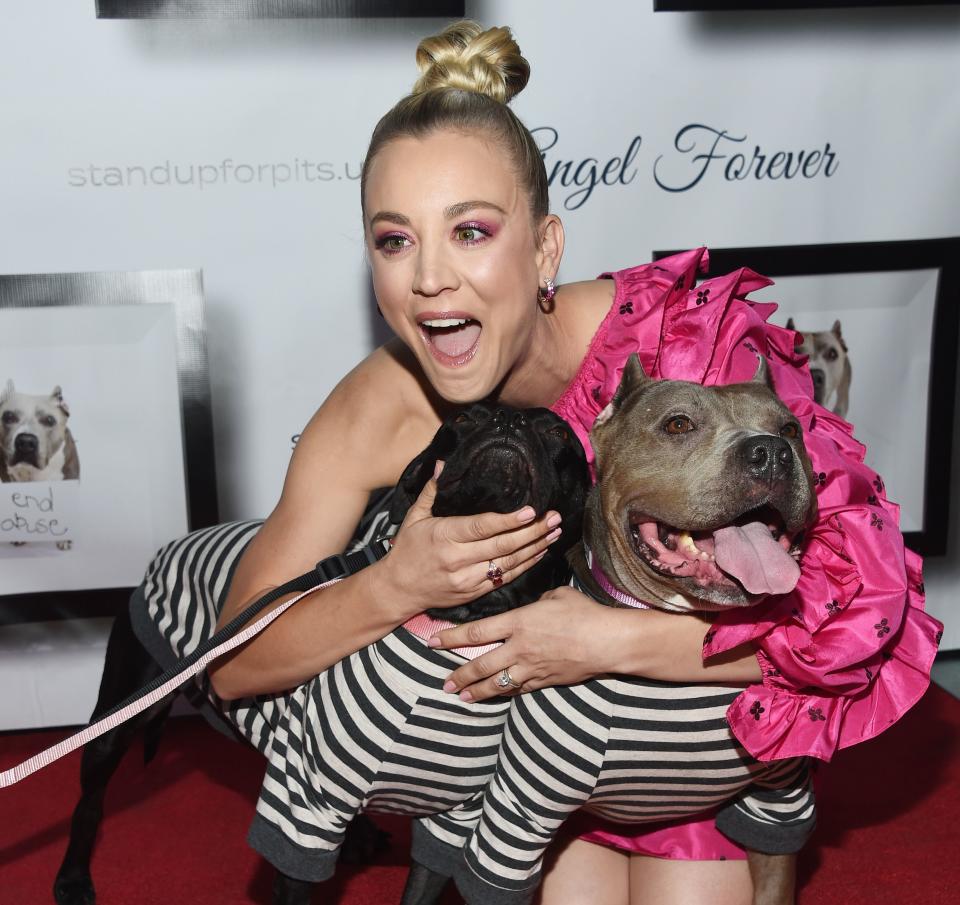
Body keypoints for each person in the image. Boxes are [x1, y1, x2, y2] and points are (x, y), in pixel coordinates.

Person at [207, 20, 940, 905]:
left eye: (471, 231)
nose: (430, 277)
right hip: (528, 773)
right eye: (395, 240)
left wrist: (607, 640)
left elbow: (865, 617)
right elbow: (233, 663)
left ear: (546, 247)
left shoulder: (680, 348)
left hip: (688, 743)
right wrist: (390, 586)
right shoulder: (372, 413)